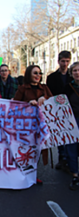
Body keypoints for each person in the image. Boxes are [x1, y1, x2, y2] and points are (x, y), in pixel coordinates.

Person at [14, 65, 53, 184]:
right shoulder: (22, 89)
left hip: (40, 124)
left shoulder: (44, 88)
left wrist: (44, 98)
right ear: (29, 74)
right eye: (35, 73)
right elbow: (15, 105)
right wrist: (28, 103)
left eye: (40, 73)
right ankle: (21, 173)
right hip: (26, 126)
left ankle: (33, 174)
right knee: (25, 151)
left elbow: (53, 101)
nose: (38, 76)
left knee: (38, 150)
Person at [47, 51, 73, 171]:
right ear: (58, 61)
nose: (65, 64)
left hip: (71, 109)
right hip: (57, 109)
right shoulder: (51, 77)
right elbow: (49, 93)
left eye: (67, 61)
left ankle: (69, 158)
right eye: (63, 61)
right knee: (60, 133)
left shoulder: (72, 76)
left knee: (71, 133)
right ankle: (62, 157)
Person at [65, 62, 79, 190]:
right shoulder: (68, 88)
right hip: (72, 121)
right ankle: (75, 176)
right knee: (71, 149)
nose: (77, 73)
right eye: (74, 70)